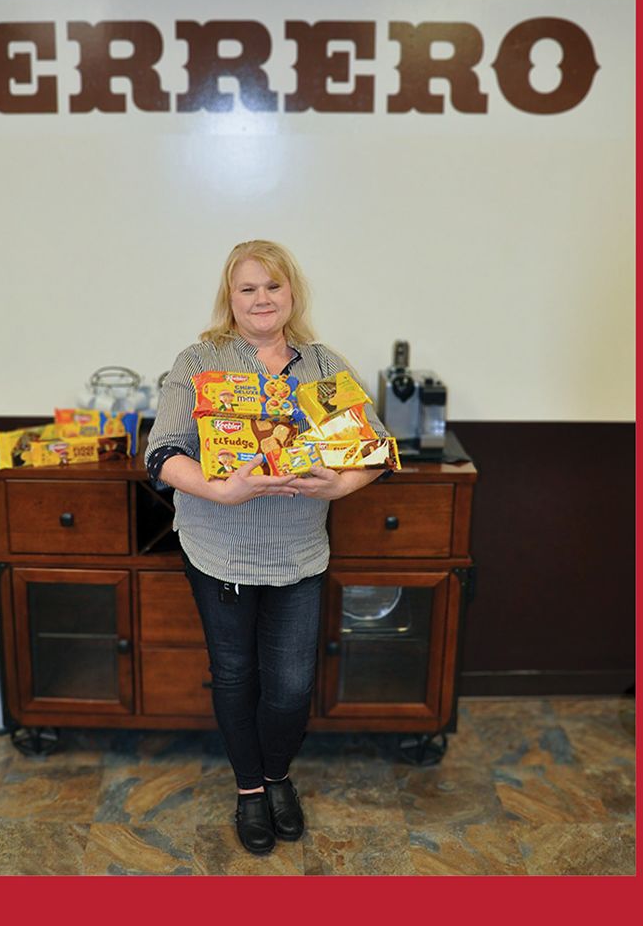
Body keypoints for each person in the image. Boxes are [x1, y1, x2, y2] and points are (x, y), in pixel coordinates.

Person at [144, 239, 388, 856]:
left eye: (273, 286)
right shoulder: (202, 362)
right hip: (218, 551)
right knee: (234, 675)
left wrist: (341, 484)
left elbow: (374, 450)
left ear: (292, 294)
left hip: (298, 554)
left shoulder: (321, 367)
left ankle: (278, 775)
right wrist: (221, 491)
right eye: (247, 288)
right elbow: (162, 453)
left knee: (290, 687)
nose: (261, 299)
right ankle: (250, 790)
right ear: (230, 298)